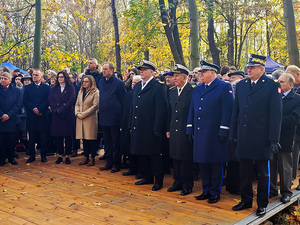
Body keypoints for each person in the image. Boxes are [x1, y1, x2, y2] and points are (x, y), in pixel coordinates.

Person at [230, 54, 282, 216]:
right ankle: (245, 200)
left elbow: (276, 114)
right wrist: (233, 131)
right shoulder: (242, 85)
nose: (248, 70)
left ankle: (262, 203)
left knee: (263, 173)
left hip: (262, 137)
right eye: (248, 67)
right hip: (244, 135)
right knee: (244, 170)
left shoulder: (272, 86)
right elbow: (236, 110)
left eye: (252, 68)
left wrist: (274, 138)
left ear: (262, 69)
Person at [187, 60, 234, 204]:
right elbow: (192, 109)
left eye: (203, 72)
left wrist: (224, 130)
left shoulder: (224, 87)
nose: (200, 75)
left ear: (213, 73)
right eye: (200, 72)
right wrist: (190, 127)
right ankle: (205, 189)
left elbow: (228, 111)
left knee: (215, 163)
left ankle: (215, 191)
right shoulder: (198, 88)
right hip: (200, 132)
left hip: (215, 133)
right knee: (203, 162)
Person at [130, 60, 168, 191]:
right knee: (141, 153)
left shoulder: (158, 87)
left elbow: (161, 109)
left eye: (144, 69)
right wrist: (132, 124)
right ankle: (147, 176)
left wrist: (158, 127)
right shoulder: (138, 86)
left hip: (151, 127)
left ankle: (158, 180)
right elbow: (133, 107)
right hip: (139, 126)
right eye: (140, 69)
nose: (141, 71)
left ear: (152, 72)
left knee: (154, 155)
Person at [270, 73, 300, 204]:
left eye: (282, 82)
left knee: (285, 166)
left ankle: (286, 192)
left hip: (286, 136)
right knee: (271, 165)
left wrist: (276, 120)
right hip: (271, 136)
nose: (279, 83)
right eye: (278, 81)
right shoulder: (274, 96)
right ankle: (271, 190)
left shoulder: (297, 99)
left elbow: (295, 119)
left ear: (290, 85)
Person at [166, 64, 194, 195]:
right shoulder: (171, 92)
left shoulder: (192, 91)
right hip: (173, 128)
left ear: (185, 77)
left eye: (177, 76)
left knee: (185, 158)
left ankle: (187, 184)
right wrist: (168, 128)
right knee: (175, 157)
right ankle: (177, 182)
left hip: (185, 129)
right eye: (174, 76)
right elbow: (169, 112)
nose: (174, 78)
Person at [98, 62, 126, 173]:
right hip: (104, 116)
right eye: (103, 69)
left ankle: (116, 163)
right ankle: (108, 162)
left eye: (106, 69)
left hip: (115, 117)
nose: (103, 71)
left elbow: (123, 100)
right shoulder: (100, 82)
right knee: (107, 142)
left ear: (112, 70)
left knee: (115, 142)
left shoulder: (119, 83)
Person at [23, 69, 51, 163]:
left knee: (43, 137)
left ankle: (43, 156)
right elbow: (25, 100)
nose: (34, 76)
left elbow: (48, 100)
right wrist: (33, 109)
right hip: (31, 116)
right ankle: (32, 156)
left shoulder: (46, 87)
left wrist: (40, 109)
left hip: (42, 115)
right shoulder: (27, 87)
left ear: (41, 77)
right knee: (31, 137)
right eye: (33, 75)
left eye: (36, 75)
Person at [49, 71, 76, 165]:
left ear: (66, 78)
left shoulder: (70, 87)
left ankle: (68, 155)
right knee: (58, 136)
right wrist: (56, 110)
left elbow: (72, 100)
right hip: (57, 115)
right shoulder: (54, 88)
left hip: (67, 114)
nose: (60, 78)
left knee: (68, 136)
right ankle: (60, 155)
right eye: (58, 77)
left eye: (61, 77)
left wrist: (62, 110)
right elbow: (51, 100)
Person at [75, 75, 99, 166]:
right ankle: (85, 157)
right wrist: (77, 113)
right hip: (80, 118)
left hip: (90, 118)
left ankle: (92, 158)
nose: (84, 83)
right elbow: (77, 103)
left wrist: (84, 114)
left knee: (91, 139)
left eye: (86, 81)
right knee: (84, 139)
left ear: (91, 82)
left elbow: (95, 105)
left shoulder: (95, 92)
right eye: (83, 81)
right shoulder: (81, 91)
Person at [122, 75, 142, 177]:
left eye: (136, 83)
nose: (133, 84)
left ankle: (139, 170)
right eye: (132, 82)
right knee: (129, 147)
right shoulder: (129, 94)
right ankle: (132, 168)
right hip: (128, 124)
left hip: (138, 126)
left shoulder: (140, 95)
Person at [0, 72, 22, 166]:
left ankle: (11, 157)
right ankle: (1, 158)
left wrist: (8, 115)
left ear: (10, 80)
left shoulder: (16, 91)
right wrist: (2, 115)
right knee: (1, 140)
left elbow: (18, 104)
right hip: (1, 119)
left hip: (11, 119)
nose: (3, 80)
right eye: (1, 78)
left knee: (11, 140)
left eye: (5, 78)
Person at [285, 65, 300, 186]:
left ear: (297, 75)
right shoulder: (293, 88)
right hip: (294, 129)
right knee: (293, 155)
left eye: (290, 75)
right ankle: (290, 178)